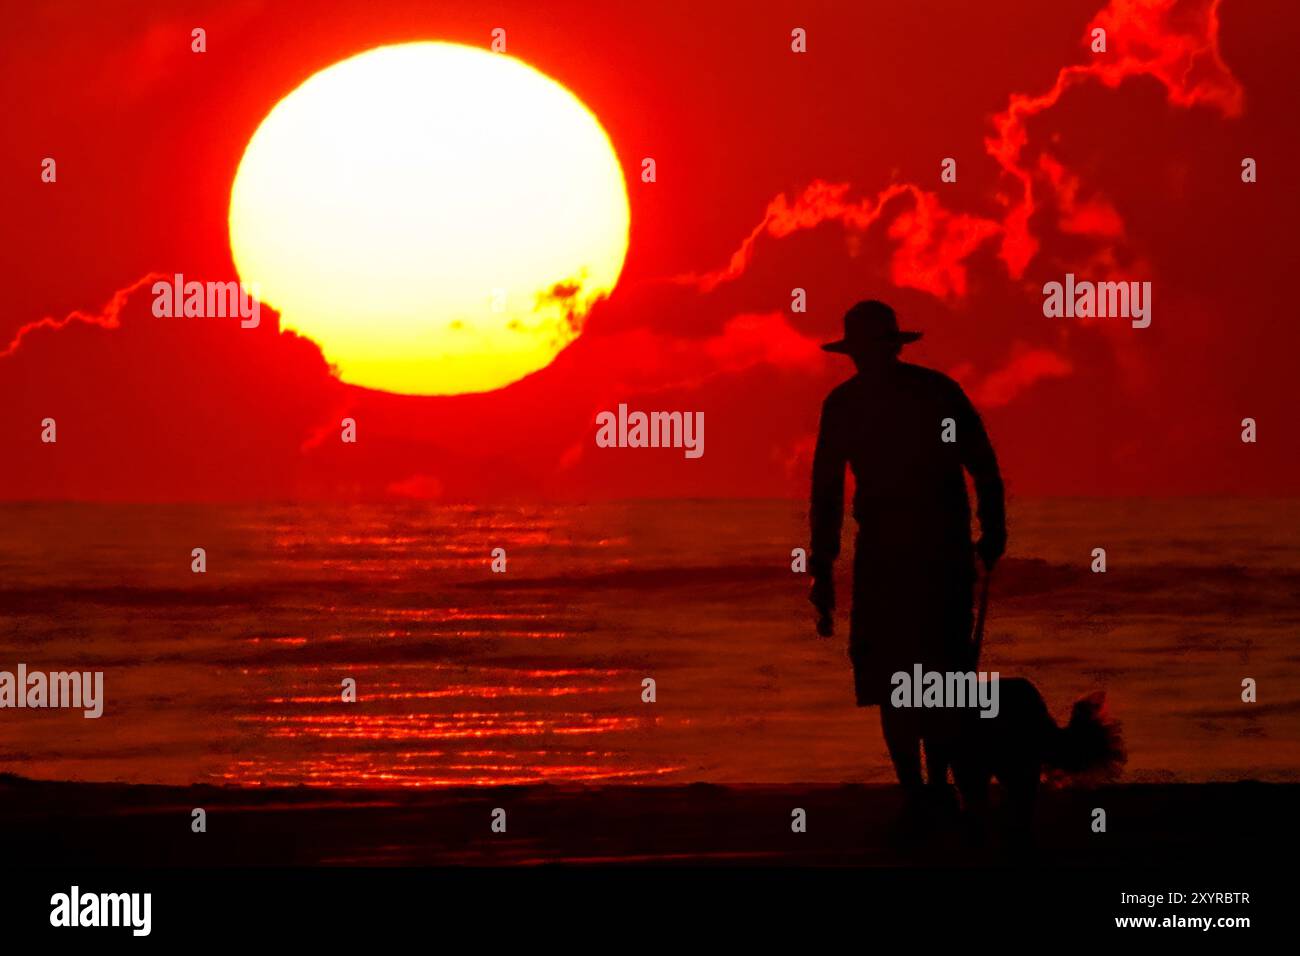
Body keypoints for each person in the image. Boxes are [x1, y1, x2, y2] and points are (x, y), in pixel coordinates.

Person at [809, 300, 1005, 811]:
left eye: (869, 349)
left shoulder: (920, 395)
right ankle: (921, 788)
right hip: (900, 555)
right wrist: (823, 567)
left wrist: (995, 527)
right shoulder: (909, 395)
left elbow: (981, 461)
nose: (864, 359)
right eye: (860, 351)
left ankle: (930, 786)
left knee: (923, 674)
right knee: (908, 674)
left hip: (927, 554)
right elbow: (826, 491)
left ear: (888, 348)